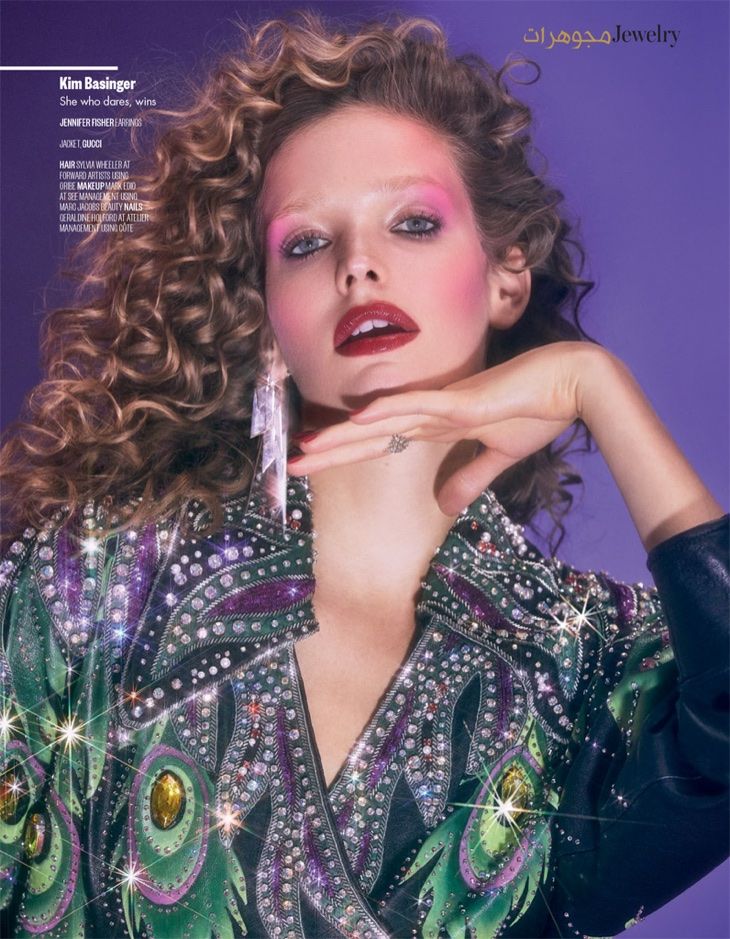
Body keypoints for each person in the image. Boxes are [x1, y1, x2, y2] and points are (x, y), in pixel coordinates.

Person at [0, 10, 727, 939]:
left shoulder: (580, 663)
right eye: (306, 244)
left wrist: (601, 385)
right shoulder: (90, 585)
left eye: (413, 223)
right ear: (265, 311)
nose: (358, 265)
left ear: (506, 277)